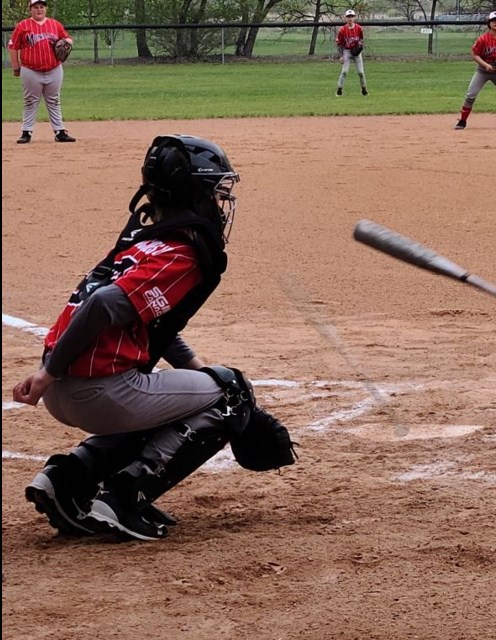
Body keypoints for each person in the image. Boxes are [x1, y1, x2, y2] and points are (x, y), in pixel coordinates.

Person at [13, 135, 294, 541]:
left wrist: (200, 375)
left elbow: (149, 323)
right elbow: (105, 305)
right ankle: (124, 497)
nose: (219, 202)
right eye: (214, 191)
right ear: (192, 190)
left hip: (74, 385)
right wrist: (47, 374)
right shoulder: (182, 251)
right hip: (96, 390)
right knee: (233, 393)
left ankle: (69, 479)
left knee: (211, 387)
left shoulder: (147, 238)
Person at [8, 0, 76, 144]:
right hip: (30, 69)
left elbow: (67, 38)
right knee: (30, 101)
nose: (39, 9)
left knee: (54, 100)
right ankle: (26, 132)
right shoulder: (23, 26)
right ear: (30, 9)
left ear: (45, 8)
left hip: (54, 69)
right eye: (35, 7)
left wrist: (68, 42)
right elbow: (13, 47)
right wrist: (16, 67)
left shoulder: (54, 24)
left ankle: (60, 131)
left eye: (41, 7)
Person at [454, 11, 496, 130]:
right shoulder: (483, 39)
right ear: (489, 24)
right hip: (483, 71)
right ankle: (462, 121)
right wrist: (485, 65)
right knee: (471, 95)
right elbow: (475, 55)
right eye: (493, 21)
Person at [335, 9, 368, 97]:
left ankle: (364, 89)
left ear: (354, 17)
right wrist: (341, 55)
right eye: (348, 17)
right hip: (347, 51)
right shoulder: (342, 30)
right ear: (345, 18)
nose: (350, 19)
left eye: (352, 16)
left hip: (356, 52)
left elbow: (361, 39)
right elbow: (339, 43)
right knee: (344, 71)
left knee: (361, 72)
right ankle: (339, 88)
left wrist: (360, 46)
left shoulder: (359, 28)